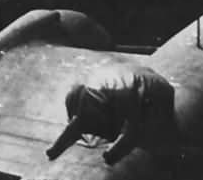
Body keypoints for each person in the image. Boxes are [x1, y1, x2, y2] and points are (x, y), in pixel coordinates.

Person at [45, 64, 176, 166]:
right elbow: (77, 124)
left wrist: (112, 154)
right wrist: (55, 150)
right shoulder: (91, 93)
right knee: (104, 125)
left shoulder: (120, 96)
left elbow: (132, 128)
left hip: (155, 91)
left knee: (151, 139)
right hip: (140, 78)